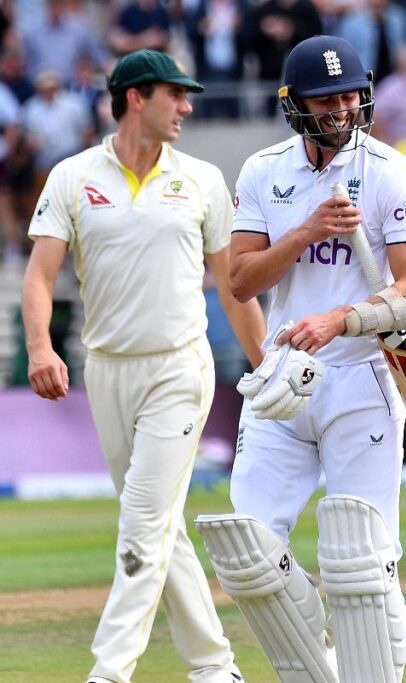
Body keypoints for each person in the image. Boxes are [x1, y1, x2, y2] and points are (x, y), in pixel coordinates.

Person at [21, 49, 265, 683]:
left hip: (179, 371)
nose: (186, 106)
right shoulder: (73, 177)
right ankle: (215, 668)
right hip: (106, 371)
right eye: (174, 95)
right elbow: (40, 277)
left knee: (143, 520)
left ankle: (109, 670)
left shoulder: (203, 179)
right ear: (136, 98)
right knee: (160, 528)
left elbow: (233, 285)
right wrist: (42, 347)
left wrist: (265, 362)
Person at [195, 35, 406, 682]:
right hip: (285, 382)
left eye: (352, 93)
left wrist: (341, 319)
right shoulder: (264, 170)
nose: (344, 107)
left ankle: (371, 658)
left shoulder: (388, 171)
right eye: (327, 98)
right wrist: (304, 232)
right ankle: (325, 659)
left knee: (364, 557)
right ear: (295, 104)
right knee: (246, 548)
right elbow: (240, 281)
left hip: (363, 377)